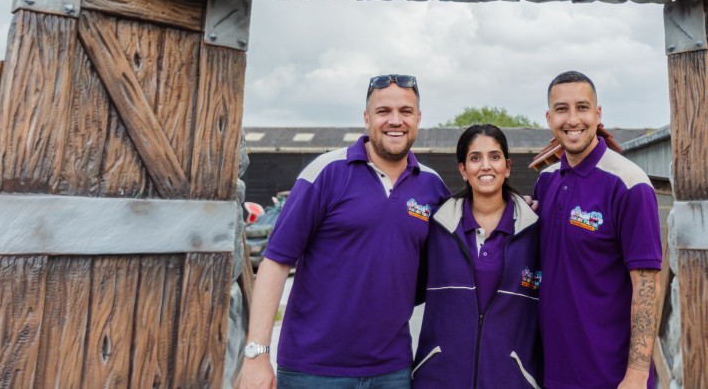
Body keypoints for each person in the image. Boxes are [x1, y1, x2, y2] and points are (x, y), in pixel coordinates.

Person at [240, 74, 450, 389]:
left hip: (392, 370)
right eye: (383, 111)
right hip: (312, 370)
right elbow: (276, 262)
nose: (395, 120)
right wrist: (257, 355)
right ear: (367, 119)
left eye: (406, 111)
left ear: (418, 119)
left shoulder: (433, 187)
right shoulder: (324, 173)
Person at [533, 71, 661, 389]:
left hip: (611, 377)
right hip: (553, 374)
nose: (573, 119)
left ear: (598, 114)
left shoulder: (629, 184)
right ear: (549, 118)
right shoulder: (546, 182)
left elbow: (647, 286)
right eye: (562, 109)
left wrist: (636, 375)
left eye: (583, 107)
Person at [412, 124, 542, 389]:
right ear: (462, 170)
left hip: (513, 382)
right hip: (440, 381)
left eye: (494, 157)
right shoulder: (436, 227)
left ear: (507, 167)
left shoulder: (536, 230)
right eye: (475, 158)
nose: (485, 166)